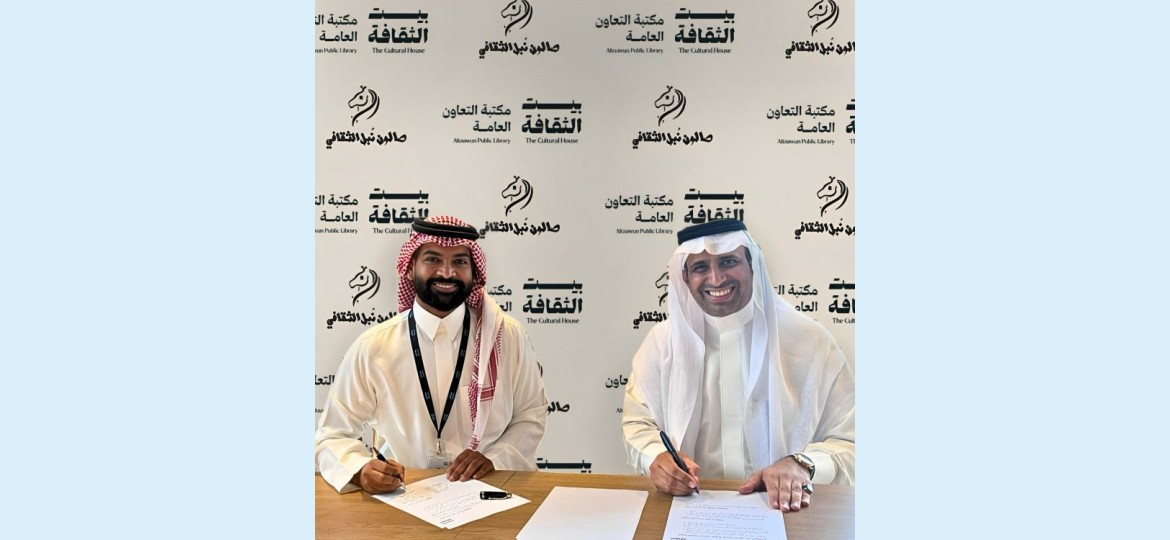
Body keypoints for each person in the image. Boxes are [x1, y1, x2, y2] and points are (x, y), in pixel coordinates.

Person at [622, 219, 855, 512]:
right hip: (688, 510)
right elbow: (638, 423)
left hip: (787, 509)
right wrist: (655, 457)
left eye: (728, 262)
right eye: (700, 267)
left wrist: (802, 465)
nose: (716, 278)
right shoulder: (661, 343)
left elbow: (851, 440)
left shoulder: (810, 341)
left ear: (752, 265)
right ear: (685, 277)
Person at [316, 215, 548, 494]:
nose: (447, 273)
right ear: (410, 267)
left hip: (492, 491)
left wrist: (495, 460)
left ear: (474, 272)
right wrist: (360, 470)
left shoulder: (506, 336)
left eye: (459, 262)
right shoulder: (374, 347)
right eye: (433, 259)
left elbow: (530, 415)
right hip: (406, 495)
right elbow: (333, 435)